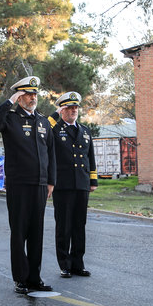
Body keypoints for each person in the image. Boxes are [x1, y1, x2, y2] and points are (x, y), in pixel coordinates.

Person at [0, 76, 56, 294]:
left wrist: (51, 181)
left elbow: (51, 154)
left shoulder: (44, 121)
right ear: (19, 97)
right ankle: (21, 279)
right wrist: (9, 101)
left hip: (40, 185)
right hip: (19, 184)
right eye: (27, 94)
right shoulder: (10, 118)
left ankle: (35, 278)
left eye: (34, 94)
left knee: (37, 233)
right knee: (19, 232)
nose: (32, 97)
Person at [47, 91, 98, 278]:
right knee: (64, 226)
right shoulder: (54, 129)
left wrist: (93, 180)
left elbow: (90, 156)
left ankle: (78, 263)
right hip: (63, 184)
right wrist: (56, 112)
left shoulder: (85, 131)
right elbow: (46, 123)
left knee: (79, 225)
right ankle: (65, 264)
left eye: (75, 108)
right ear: (62, 110)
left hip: (82, 184)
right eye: (69, 108)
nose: (73, 111)